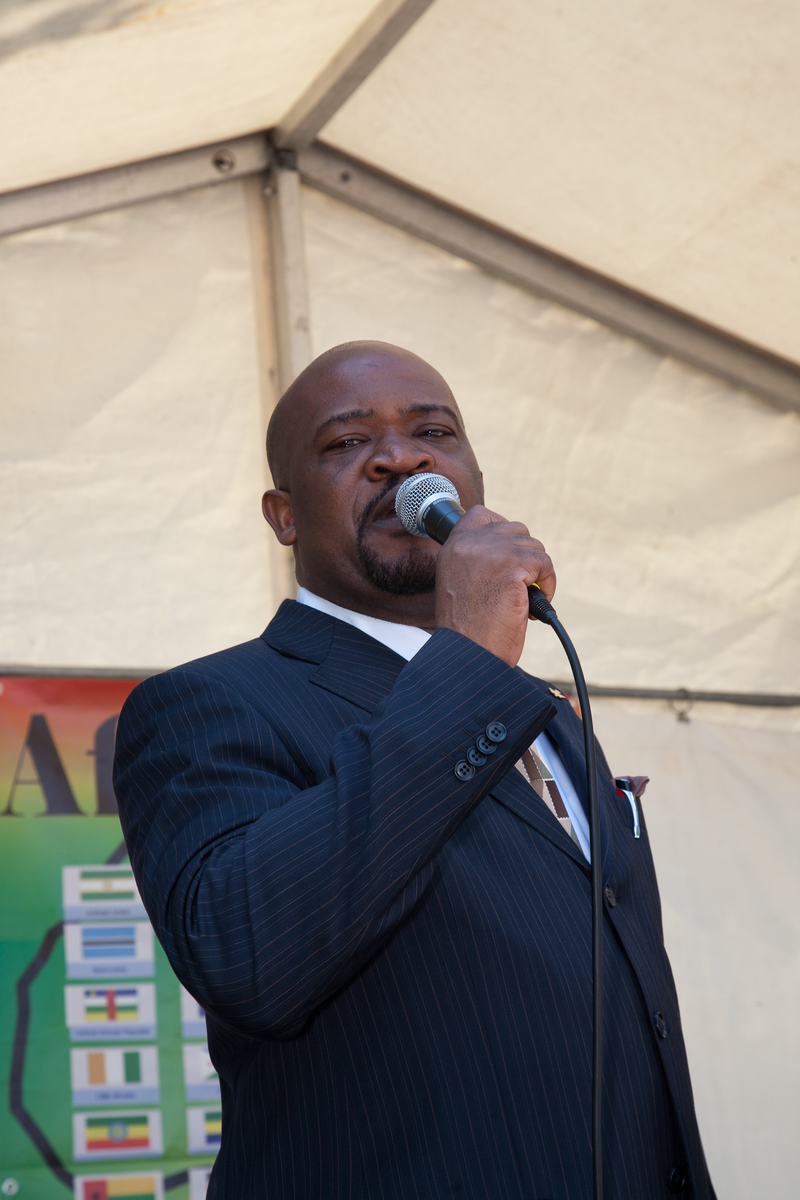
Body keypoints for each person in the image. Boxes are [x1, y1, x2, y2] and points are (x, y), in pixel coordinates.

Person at [114, 341, 715, 1200]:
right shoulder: (209, 705)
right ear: (284, 516)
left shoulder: (546, 715)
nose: (401, 457)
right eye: (346, 442)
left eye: (434, 432)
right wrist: (467, 659)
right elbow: (248, 956)